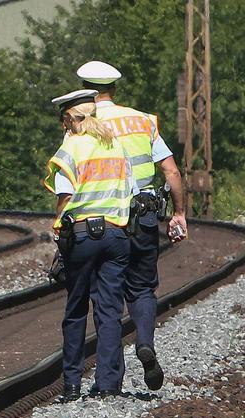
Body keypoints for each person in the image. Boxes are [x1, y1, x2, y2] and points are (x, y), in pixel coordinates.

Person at [76, 60, 188, 392]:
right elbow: (171, 171)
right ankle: (145, 342)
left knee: (107, 298)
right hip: (144, 217)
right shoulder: (143, 120)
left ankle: (109, 380)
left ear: (85, 88)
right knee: (142, 288)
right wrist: (178, 213)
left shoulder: (83, 123)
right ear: (114, 88)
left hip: (106, 220)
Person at [43, 89, 135, 402]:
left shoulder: (72, 146)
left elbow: (65, 196)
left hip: (81, 235)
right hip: (116, 235)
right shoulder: (116, 145)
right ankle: (108, 383)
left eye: (62, 120)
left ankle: (71, 385)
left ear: (70, 119)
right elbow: (130, 189)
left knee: (76, 309)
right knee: (109, 311)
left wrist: (58, 228)